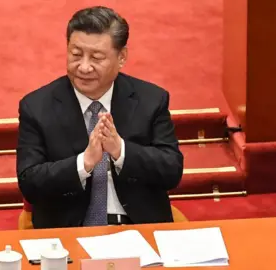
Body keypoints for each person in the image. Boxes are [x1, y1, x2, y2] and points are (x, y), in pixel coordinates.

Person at [17, 6, 184, 228]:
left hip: (138, 230)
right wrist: (83, 163)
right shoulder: (36, 107)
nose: (84, 67)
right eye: (76, 55)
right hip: (69, 235)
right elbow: (29, 181)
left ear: (121, 57)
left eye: (96, 58)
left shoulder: (151, 100)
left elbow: (172, 171)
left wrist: (121, 151)